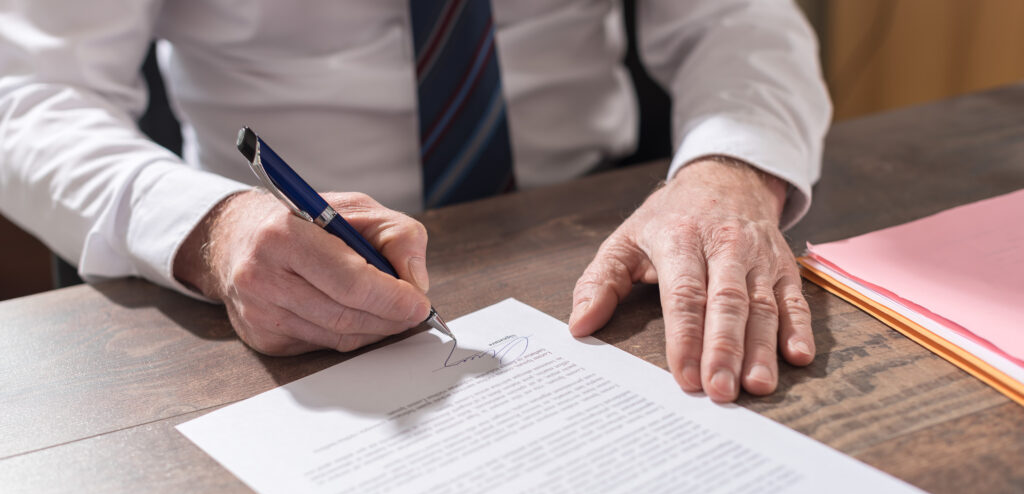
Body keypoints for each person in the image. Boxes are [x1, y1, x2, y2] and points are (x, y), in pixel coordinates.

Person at [0, 1, 830, 403]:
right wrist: (214, 233)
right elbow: (26, 94)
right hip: (292, 283)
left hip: (602, 234)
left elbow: (738, 17)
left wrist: (730, 173)